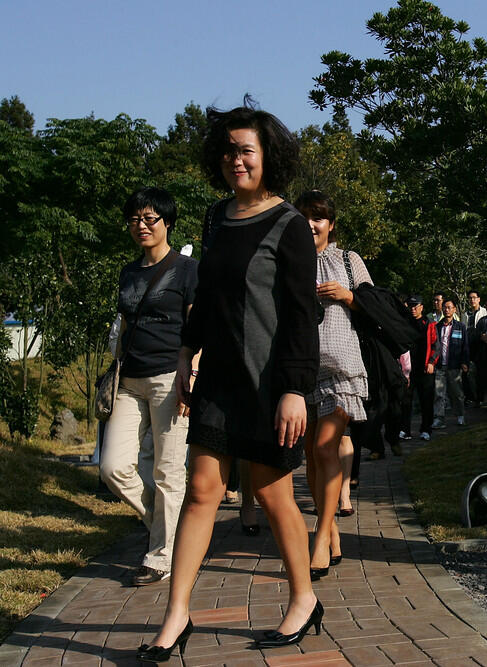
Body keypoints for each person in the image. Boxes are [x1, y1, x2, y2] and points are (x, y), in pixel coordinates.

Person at [139, 101, 322, 662]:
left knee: (271, 494)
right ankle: (176, 616)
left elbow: (300, 314)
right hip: (217, 376)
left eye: (247, 150)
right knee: (200, 492)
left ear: (269, 157)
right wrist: (188, 351)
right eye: (228, 150)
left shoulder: (289, 224)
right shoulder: (217, 217)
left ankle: (304, 597)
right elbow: (210, 296)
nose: (235, 160)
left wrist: (295, 388)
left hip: (267, 383)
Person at [101, 187, 198, 588]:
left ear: (167, 222)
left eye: (150, 219)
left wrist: (191, 375)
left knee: (168, 471)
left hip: (168, 377)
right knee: (113, 466)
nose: (141, 226)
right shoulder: (129, 271)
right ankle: (166, 529)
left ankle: (161, 555)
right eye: (135, 219)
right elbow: (124, 324)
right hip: (130, 377)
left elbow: (197, 327)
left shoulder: (188, 270)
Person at [294, 190, 371, 581]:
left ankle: (320, 537)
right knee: (311, 457)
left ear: (330, 223)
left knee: (327, 447)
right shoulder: (291, 262)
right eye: (304, 217)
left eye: (318, 217)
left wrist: (347, 295)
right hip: (303, 370)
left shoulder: (348, 259)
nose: (311, 224)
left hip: (343, 370)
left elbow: (373, 306)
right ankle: (333, 532)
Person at [403, 295, 439, 440]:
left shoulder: (429, 323)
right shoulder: (405, 323)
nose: (413, 309)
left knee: (426, 400)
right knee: (406, 400)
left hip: (425, 368)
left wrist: (431, 362)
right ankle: (405, 430)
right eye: (411, 306)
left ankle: (426, 429)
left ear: (422, 307)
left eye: (416, 306)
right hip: (409, 369)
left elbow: (436, 345)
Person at [433, 299, 470, 427]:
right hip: (440, 365)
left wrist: (465, 362)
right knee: (439, 393)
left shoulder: (460, 327)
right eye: (445, 307)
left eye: (449, 307)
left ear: (454, 309)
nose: (446, 310)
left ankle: (460, 415)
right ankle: (439, 418)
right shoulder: (437, 327)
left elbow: (465, 346)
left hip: (454, 365)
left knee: (457, 393)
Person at [463, 290, 487, 406]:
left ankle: (480, 397)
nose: (472, 300)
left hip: (481, 345)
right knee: (465, 371)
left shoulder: (484, 312)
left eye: (474, 297)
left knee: (481, 372)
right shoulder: (465, 314)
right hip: (468, 345)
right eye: (470, 298)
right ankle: (469, 397)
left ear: (479, 299)